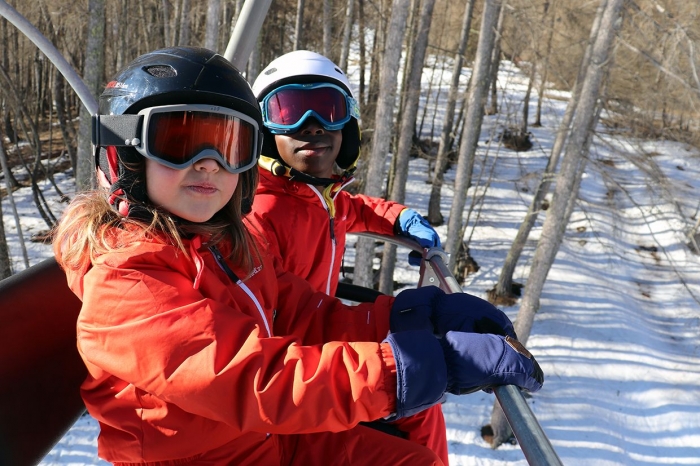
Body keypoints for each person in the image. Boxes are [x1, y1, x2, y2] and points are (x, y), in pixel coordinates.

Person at [53, 46, 543, 466]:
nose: (209, 163)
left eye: (229, 144)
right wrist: (408, 368)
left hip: (262, 439)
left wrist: (414, 317)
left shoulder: (223, 246)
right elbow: (252, 379)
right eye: (179, 142)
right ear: (125, 155)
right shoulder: (128, 280)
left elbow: (300, 314)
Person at [247, 50, 449, 461]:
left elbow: (352, 209)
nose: (313, 126)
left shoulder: (320, 196)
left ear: (348, 126)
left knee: (425, 408)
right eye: (289, 112)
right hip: (294, 372)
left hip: (321, 341)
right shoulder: (260, 212)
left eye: (328, 109)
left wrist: (399, 218)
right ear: (265, 130)